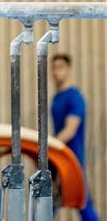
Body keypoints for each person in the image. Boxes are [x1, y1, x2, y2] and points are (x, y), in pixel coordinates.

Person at [50, 54, 100, 221]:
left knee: (82, 203)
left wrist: (49, 145)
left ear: (68, 70)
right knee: (50, 201)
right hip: (58, 157)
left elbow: (70, 130)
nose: (56, 72)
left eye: (60, 67)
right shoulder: (56, 98)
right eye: (54, 68)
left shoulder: (75, 97)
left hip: (72, 159)